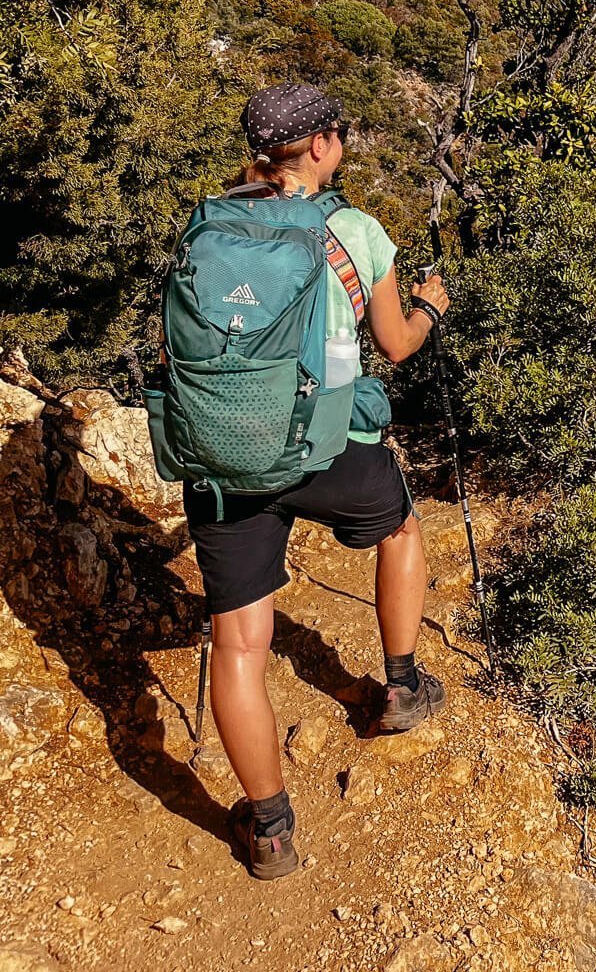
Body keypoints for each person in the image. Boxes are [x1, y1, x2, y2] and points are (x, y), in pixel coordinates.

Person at [188, 82, 450, 880]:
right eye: (340, 132)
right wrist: (434, 305)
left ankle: (269, 832)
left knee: (239, 645)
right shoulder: (356, 230)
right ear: (323, 146)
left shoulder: (210, 222)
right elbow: (397, 344)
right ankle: (399, 689)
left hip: (225, 454)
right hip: (327, 446)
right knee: (401, 525)